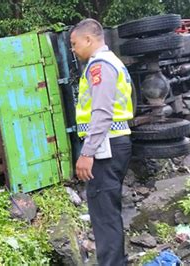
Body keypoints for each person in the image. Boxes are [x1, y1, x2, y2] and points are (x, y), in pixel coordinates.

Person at [70, 19, 133, 265]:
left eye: (74, 44)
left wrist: (87, 152)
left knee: (104, 216)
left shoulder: (100, 66)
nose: (73, 49)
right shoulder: (112, 62)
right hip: (114, 144)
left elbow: (102, 112)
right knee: (107, 212)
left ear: (89, 39)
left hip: (106, 147)